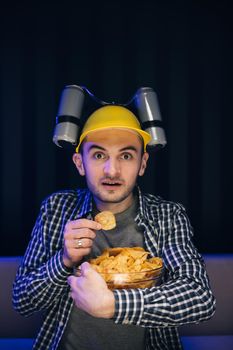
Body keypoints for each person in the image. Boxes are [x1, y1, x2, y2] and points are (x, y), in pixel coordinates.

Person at [13, 105, 216, 350]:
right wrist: (64, 261)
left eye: (126, 155)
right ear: (80, 163)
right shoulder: (57, 209)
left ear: (143, 163)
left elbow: (200, 298)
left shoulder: (168, 216)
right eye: (99, 155)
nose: (112, 170)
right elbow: (22, 301)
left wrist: (114, 305)